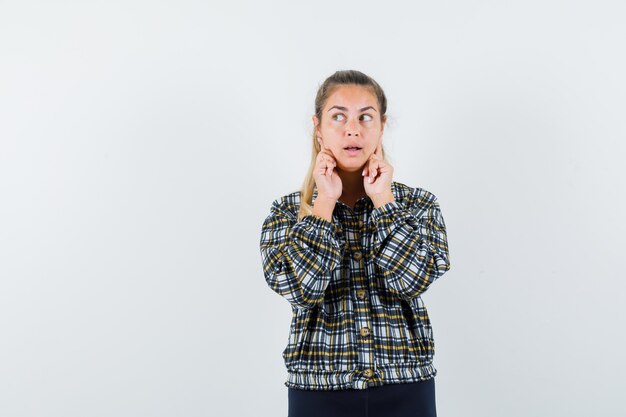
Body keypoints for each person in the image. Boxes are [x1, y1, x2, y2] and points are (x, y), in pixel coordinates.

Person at [259, 69, 451, 417]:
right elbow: (302, 291)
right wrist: (323, 205)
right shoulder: (287, 212)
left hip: (405, 386)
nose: (353, 129)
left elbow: (411, 282)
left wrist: (383, 202)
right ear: (318, 128)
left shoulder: (418, 205)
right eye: (338, 117)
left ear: (382, 126)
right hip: (319, 391)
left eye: (366, 117)